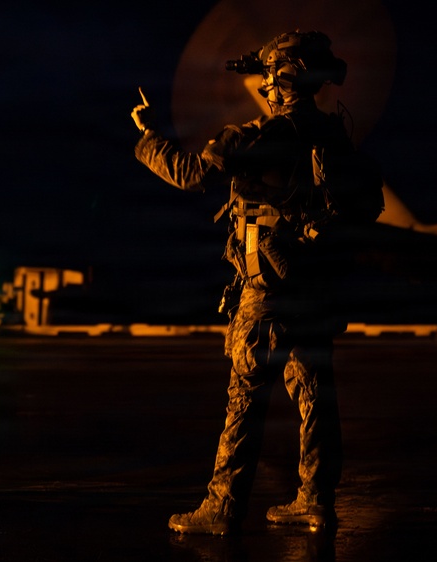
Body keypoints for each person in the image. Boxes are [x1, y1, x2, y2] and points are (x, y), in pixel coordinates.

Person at [130, 30, 384, 535]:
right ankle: (316, 501)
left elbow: (190, 175)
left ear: (281, 79)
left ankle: (222, 508)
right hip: (315, 292)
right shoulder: (335, 138)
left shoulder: (258, 138)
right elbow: (366, 205)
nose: (264, 86)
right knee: (316, 397)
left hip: (267, 294)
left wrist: (148, 136)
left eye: (268, 76)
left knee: (245, 396)